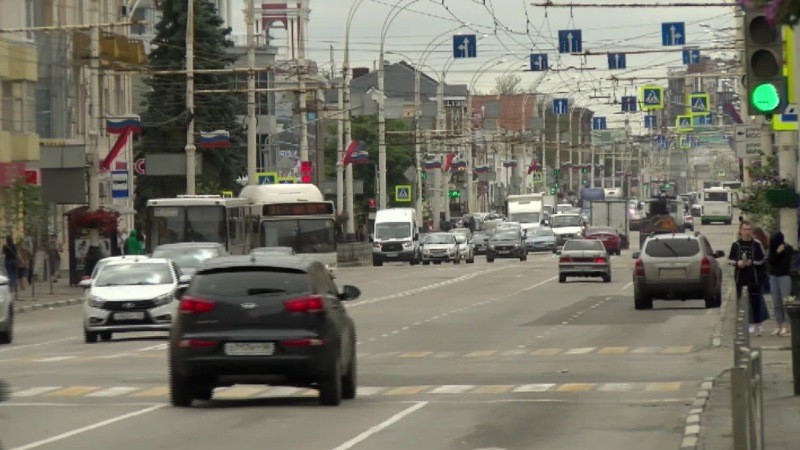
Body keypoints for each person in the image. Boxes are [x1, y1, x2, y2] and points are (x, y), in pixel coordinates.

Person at [728, 220, 768, 335]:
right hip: (740, 278)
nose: (747, 232)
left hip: (754, 278)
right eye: (745, 229)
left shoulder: (757, 244)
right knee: (742, 303)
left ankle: (758, 324)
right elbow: (730, 260)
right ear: (740, 231)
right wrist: (737, 263)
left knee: (756, 302)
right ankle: (746, 324)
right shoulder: (736, 245)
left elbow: (763, 259)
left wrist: (752, 262)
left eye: (749, 229)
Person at [767, 231, 793, 337]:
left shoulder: (788, 248)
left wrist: (780, 253)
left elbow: (785, 264)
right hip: (773, 277)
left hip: (784, 277)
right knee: (776, 303)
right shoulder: (773, 249)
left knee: (785, 302)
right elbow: (770, 261)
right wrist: (777, 252)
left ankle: (786, 326)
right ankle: (778, 325)